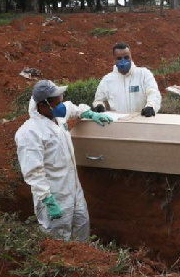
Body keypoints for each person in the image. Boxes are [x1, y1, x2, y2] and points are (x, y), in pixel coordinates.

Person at [14, 80, 113, 241]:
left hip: (74, 189)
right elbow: (33, 172)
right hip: (55, 195)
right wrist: (48, 199)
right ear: (43, 104)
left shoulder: (57, 117)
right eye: (57, 102)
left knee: (81, 227)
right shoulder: (30, 133)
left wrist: (89, 113)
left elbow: (72, 108)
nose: (61, 105)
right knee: (59, 240)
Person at [92, 42, 161, 117]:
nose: (123, 61)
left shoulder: (144, 74)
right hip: (119, 124)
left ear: (131, 56)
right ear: (114, 60)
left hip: (141, 121)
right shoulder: (107, 80)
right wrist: (99, 106)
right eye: (119, 58)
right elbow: (99, 99)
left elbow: (153, 93)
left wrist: (150, 106)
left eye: (126, 57)